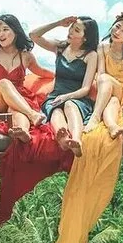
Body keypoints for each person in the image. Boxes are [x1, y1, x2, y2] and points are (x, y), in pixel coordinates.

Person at [29, 16, 99, 157]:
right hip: (55, 97)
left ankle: (76, 140)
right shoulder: (60, 47)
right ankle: (63, 139)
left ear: (85, 38)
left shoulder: (91, 55)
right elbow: (33, 35)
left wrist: (66, 97)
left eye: (76, 30)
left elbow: (85, 89)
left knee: (69, 105)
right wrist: (58, 23)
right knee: (55, 110)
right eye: (72, 27)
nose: (71, 31)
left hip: (78, 98)